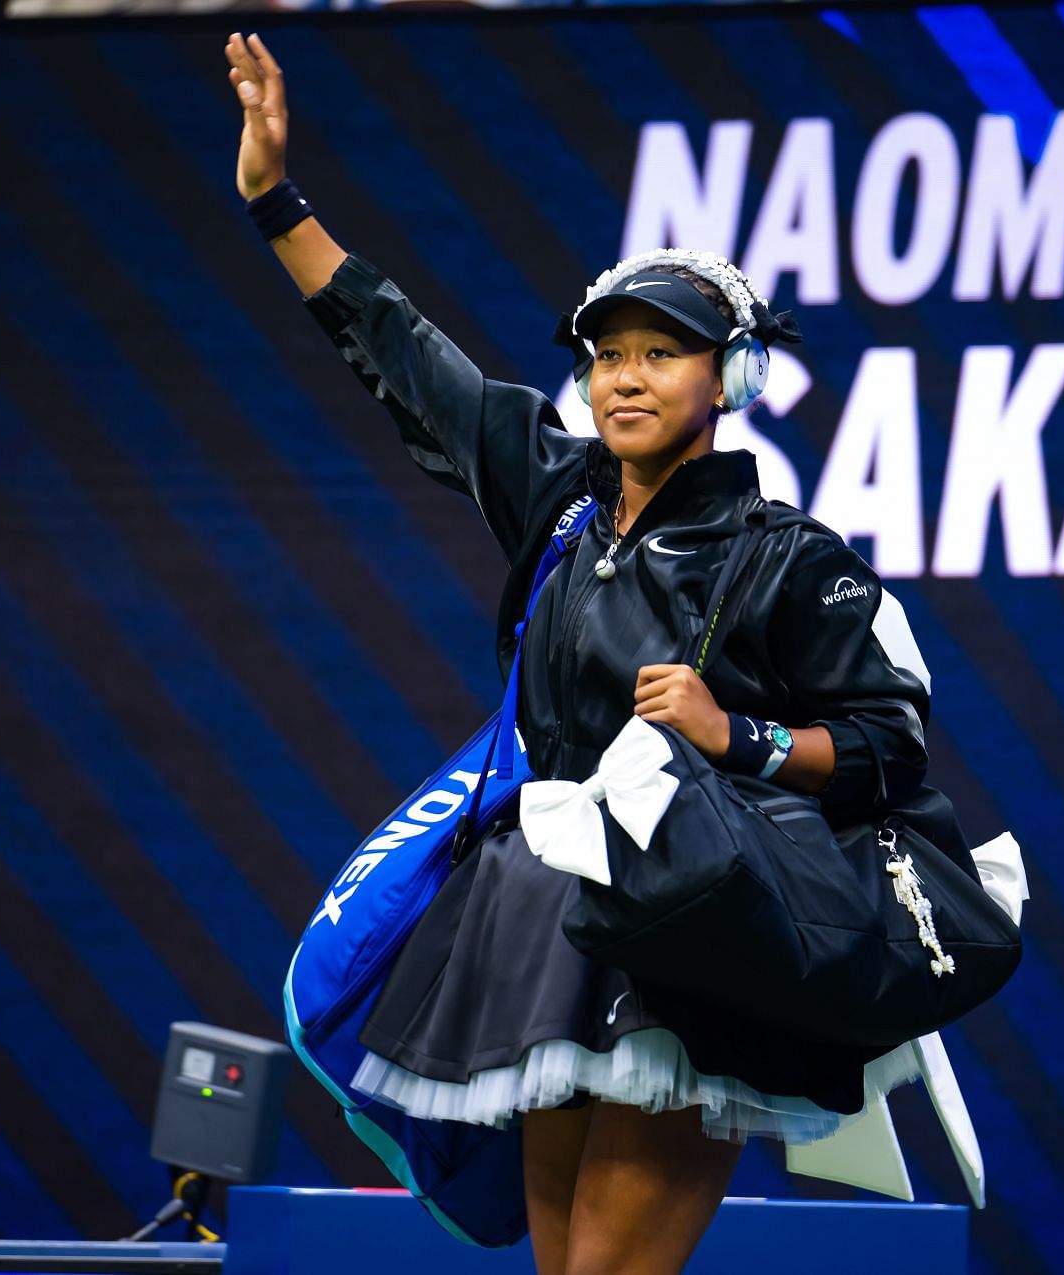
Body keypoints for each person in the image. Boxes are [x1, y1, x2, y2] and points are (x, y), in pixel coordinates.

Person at [225, 32, 938, 1275]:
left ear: (735, 379)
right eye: (607, 355)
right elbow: (408, 357)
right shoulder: (558, 499)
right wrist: (276, 200)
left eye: (661, 352)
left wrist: (739, 735)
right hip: (545, 915)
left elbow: (891, 748)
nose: (623, 378)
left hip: (694, 942)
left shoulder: (793, 556)